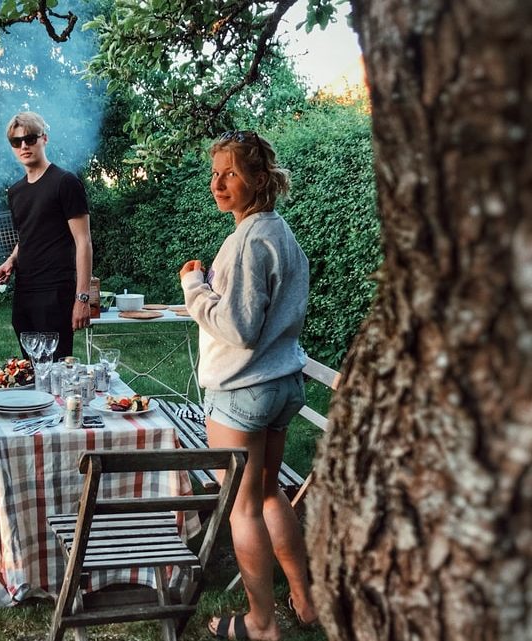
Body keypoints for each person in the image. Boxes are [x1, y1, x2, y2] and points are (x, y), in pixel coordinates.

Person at [179, 131, 317, 640]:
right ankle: (304, 599)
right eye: (215, 173)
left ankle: (261, 623)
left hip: (243, 390)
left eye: (230, 173)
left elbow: (238, 328)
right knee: (268, 494)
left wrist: (195, 289)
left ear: (260, 180)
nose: (218, 182)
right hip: (282, 385)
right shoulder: (281, 234)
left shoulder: (245, 242)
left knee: (242, 507)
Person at [0, 111, 93, 359]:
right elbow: (27, 235)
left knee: (56, 370)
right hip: (24, 291)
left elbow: (84, 242)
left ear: (44, 139)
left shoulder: (65, 182)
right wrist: (11, 260)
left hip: (56, 292)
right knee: (29, 370)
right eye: (17, 142)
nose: (24, 146)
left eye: (30, 138)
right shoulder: (15, 191)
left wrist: (82, 298)